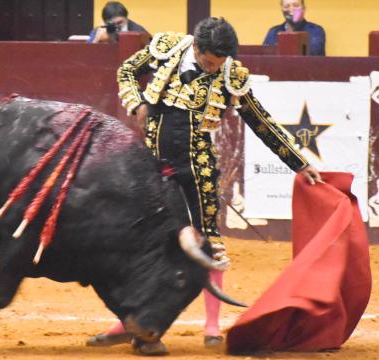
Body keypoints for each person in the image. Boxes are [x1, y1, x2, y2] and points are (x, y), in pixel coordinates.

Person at [87, 17, 323, 352]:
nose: (214, 69)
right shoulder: (168, 47)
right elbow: (126, 70)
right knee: (146, 245)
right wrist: (137, 102)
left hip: (196, 168)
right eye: (209, 62)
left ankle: (211, 323)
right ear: (196, 47)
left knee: (207, 239)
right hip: (150, 166)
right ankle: (129, 320)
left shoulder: (231, 75)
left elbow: (260, 121)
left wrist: (298, 163)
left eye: (220, 63)